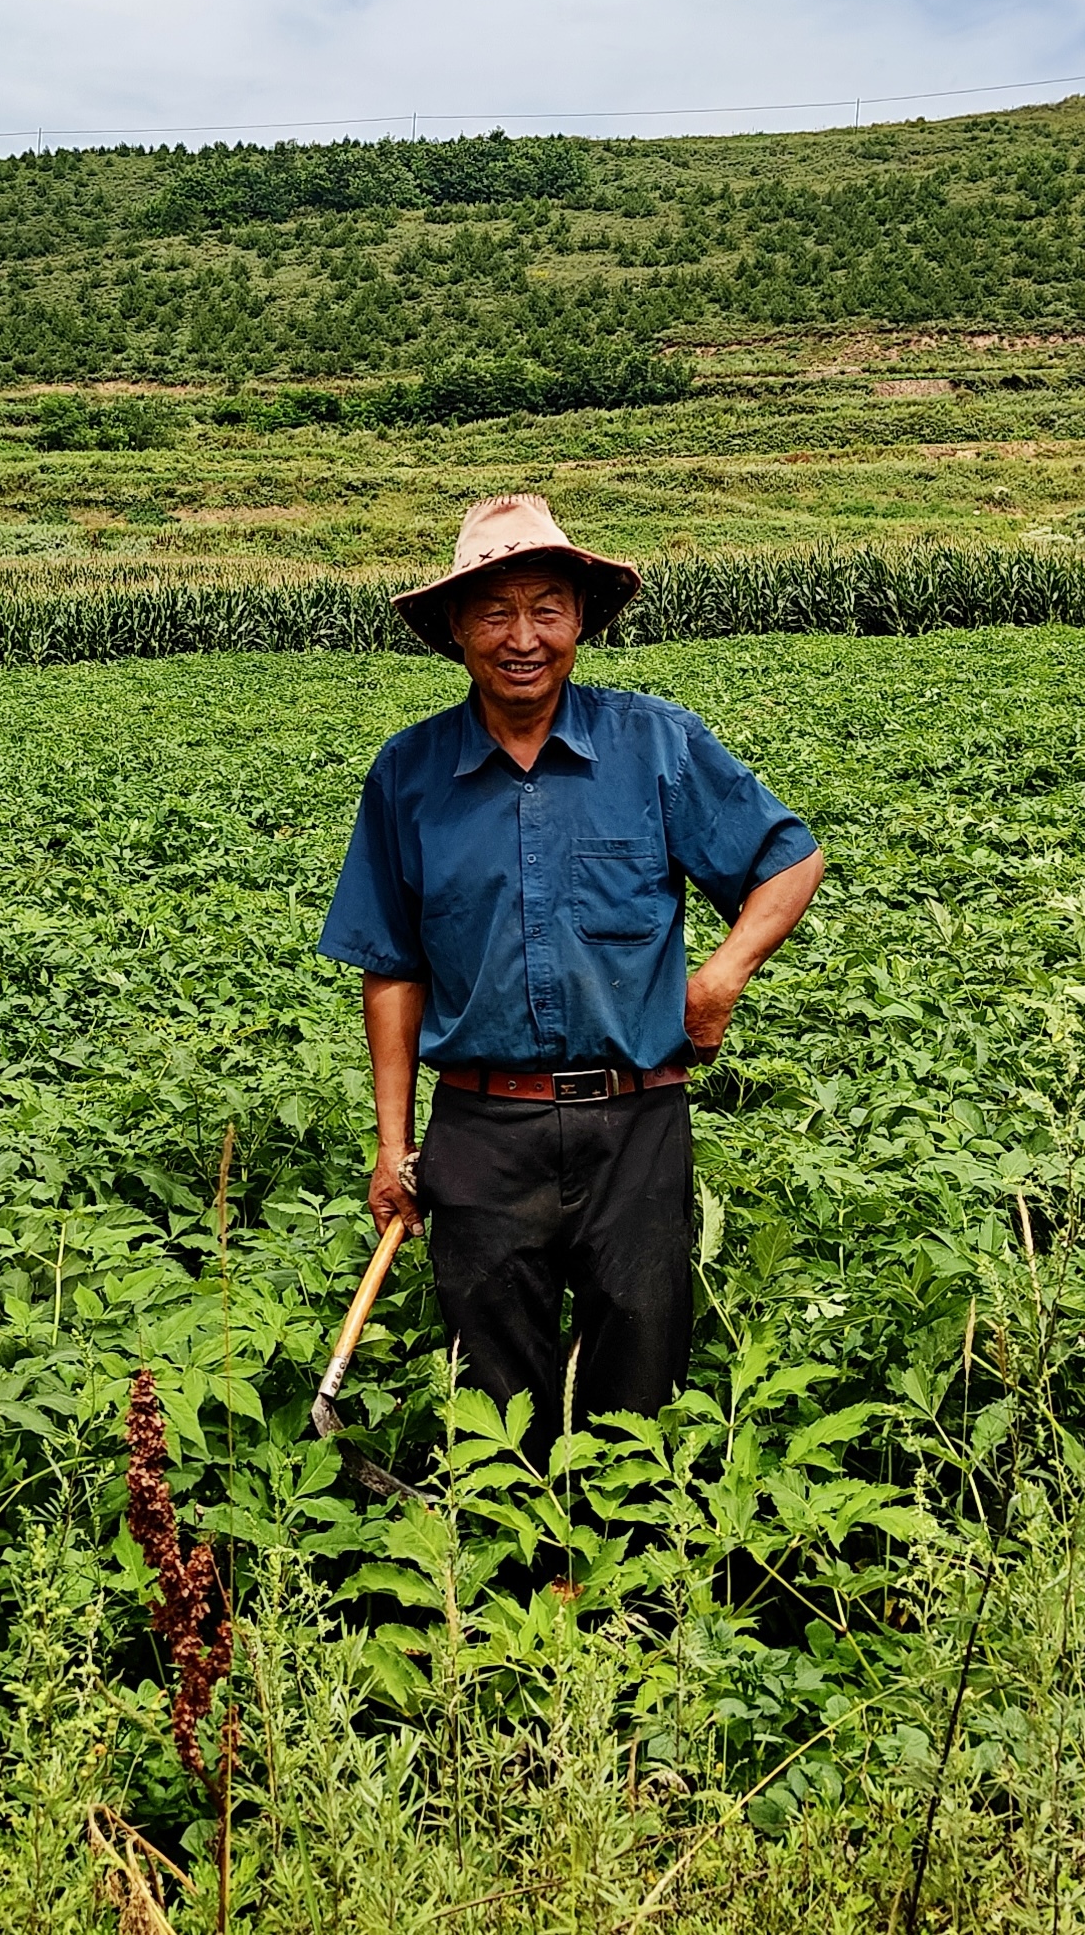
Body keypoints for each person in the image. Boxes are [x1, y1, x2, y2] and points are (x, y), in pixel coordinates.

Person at [317, 494, 824, 1451]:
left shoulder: (655, 744)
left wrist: (719, 981)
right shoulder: (408, 774)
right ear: (457, 629)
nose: (522, 638)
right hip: (478, 1129)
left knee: (639, 1392)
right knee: (497, 1408)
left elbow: (788, 860)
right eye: (494, 612)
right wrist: (394, 1146)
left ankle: (623, 1590)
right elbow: (389, 967)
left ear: (580, 619)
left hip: (636, 1124)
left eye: (546, 607)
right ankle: (517, 1589)